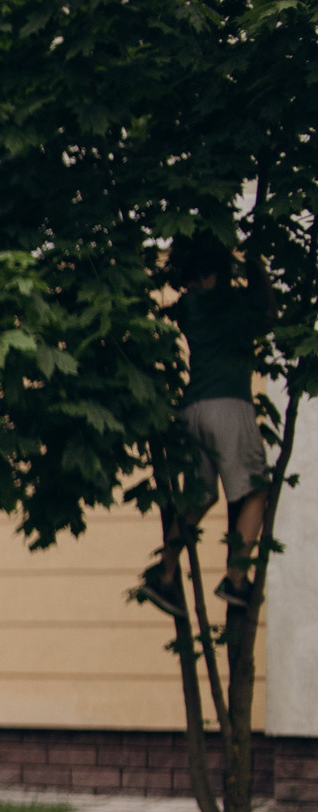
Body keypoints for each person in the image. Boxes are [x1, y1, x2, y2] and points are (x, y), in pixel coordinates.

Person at [140, 238, 272, 616]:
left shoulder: (188, 308)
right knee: (257, 490)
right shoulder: (234, 303)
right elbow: (268, 314)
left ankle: (165, 574)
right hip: (229, 404)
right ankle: (236, 577)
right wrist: (255, 263)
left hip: (192, 409)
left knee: (199, 497)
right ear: (218, 274)